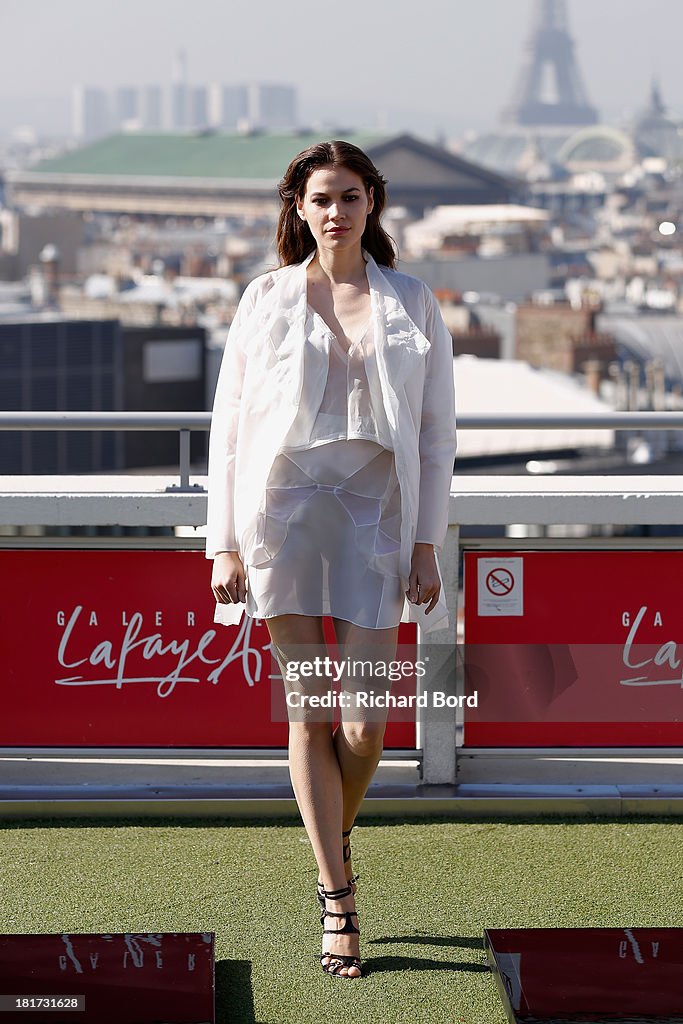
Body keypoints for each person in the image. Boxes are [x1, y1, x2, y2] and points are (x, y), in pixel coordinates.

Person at [206, 140, 456, 979]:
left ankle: (327, 836)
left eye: (349, 196)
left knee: (366, 726)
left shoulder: (412, 300)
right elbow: (230, 425)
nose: (335, 212)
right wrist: (224, 543)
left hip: (379, 519)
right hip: (283, 516)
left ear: (372, 201)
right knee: (311, 717)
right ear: (298, 207)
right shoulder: (265, 298)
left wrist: (427, 543)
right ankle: (337, 897)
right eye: (320, 198)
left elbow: (433, 433)